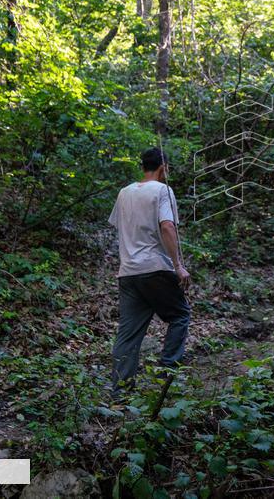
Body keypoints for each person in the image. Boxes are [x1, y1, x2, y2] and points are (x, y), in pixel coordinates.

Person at [108, 147, 192, 395]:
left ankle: (120, 394)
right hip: (154, 267)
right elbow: (167, 226)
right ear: (163, 166)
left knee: (128, 335)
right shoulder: (163, 190)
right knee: (180, 315)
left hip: (128, 272)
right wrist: (178, 266)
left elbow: (121, 227)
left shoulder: (124, 193)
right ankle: (166, 377)